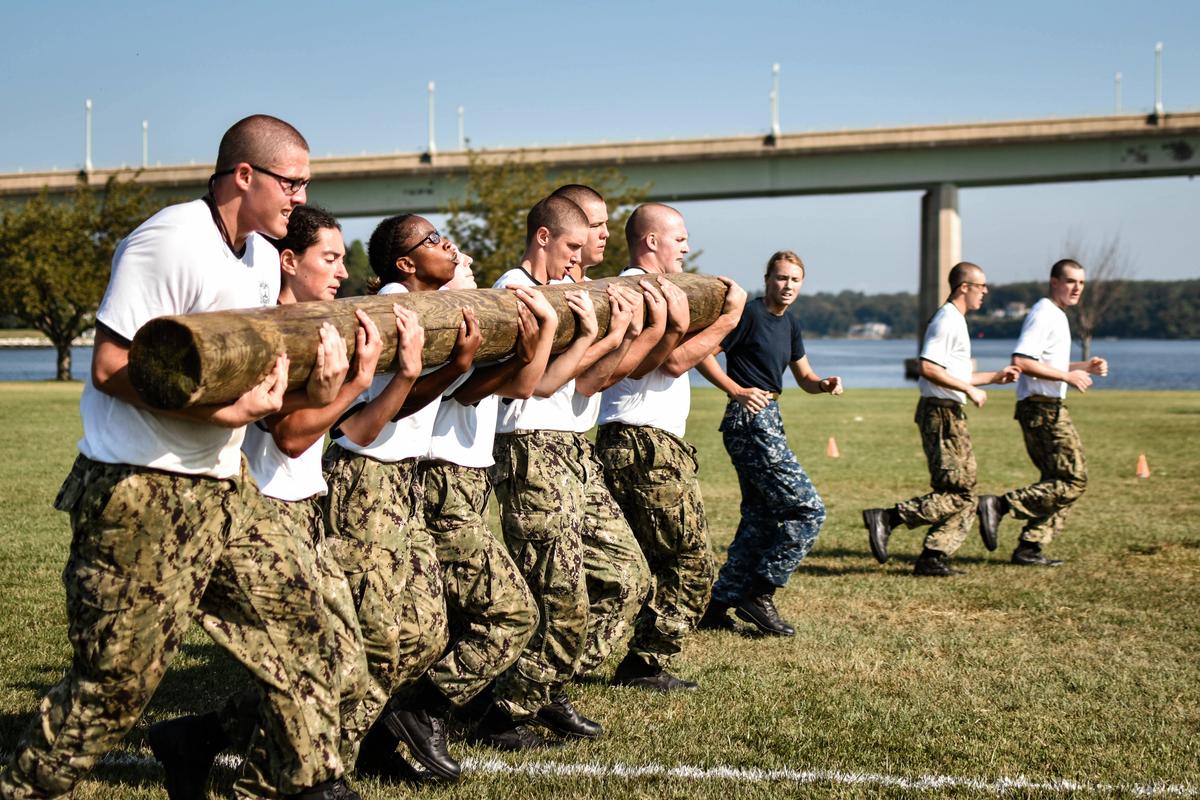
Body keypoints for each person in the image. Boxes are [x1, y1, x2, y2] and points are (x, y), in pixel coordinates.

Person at [0, 116, 356, 800]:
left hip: (225, 486)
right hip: (142, 493)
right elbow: (110, 366)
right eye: (292, 182)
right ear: (244, 176)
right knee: (116, 686)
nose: (299, 198)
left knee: (309, 631)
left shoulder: (257, 256)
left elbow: (250, 386)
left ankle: (310, 785)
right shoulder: (168, 241)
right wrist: (225, 413)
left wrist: (334, 382)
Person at [146, 205, 403, 800]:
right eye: (330, 259)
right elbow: (289, 435)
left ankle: (198, 738)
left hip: (307, 504)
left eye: (343, 258)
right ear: (289, 260)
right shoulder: (271, 333)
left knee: (341, 663)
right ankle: (281, 783)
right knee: (316, 664)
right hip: (265, 511)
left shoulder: (319, 326)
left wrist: (384, 378)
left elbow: (334, 432)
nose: (342, 271)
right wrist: (356, 384)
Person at [322, 214, 480, 780]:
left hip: (403, 480)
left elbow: (414, 400)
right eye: (433, 240)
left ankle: (373, 738)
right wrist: (431, 371)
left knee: (429, 629)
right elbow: (361, 420)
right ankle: (327, 762)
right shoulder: (393, 308)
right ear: (406, 264)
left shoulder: (426, 313)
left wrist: (459, 363)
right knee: (381, 638)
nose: (448, 245)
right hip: (363, 480)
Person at [596, 203, 747, 691]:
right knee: (691, 561)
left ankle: (630, 660)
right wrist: (729, 320)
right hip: (643, 443)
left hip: (645, 442)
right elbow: (675, 361)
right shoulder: (640, 291)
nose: (685, 245)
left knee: (644, 563)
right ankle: (641, 662)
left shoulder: (654, 289)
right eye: (678, 237)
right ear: (651, 242)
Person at [471, 195, 603, 750]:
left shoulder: (552, 288)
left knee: (564, 593)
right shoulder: (515, 290)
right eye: (572, 246)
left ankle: (537, 692)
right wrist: (595, 336)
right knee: (557, 595)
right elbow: (538, 384)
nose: (577, 260)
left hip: (558, 448)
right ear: (544, 237)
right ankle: (502, 709)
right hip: (527, 449)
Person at [696, 250, 842, 636]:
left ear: (802, 284)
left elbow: (805, 377)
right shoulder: (749, 314)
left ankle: (720, 603)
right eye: (781, 278)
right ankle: (758, 594)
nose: (787, 285)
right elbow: (703, 355)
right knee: (808, 510)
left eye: (794, 279)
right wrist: (737, 390)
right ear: (767, 280)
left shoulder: (790, 324)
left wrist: (823, 384)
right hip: (748, 420)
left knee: (759, 516)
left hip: (771, 417)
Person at [549, 184, 653, 682]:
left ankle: (551, 682)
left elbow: (601, 377)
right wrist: (628, 334)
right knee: (560, 593)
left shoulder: (593, 291)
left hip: (576, 446)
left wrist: (633, 332)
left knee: (629, 576)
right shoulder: (539, 287)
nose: (606, 234)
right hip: (539, 448)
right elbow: (585, 378)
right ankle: (525, 692)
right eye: (596, 224)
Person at [862, 261, 1020, 577]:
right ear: (964, 287)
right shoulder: (947, 320)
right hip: (941, 415)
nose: (986, 292)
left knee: (963, 490)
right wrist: (969, 390)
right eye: (982, 286)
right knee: (960, 492)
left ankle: (934, 557)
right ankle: (889, 519)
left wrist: (993, 378)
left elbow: (953, 373)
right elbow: (929, 368)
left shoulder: (956, 320)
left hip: (949, 412)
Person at [977, 258, 1107, 566]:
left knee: (1057, 480)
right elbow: (1022, 360)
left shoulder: (1057, 315)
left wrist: (1082, 367)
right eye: (1071, 281)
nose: (1077, 288)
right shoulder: (1044, 314)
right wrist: (1067, 377)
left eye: (1082, 283)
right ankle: (998, 506)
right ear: (1054, 282)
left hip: (1044, 406)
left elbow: (1045, 363)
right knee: (1074, 480)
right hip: (1041, 408)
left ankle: (1030, 548)